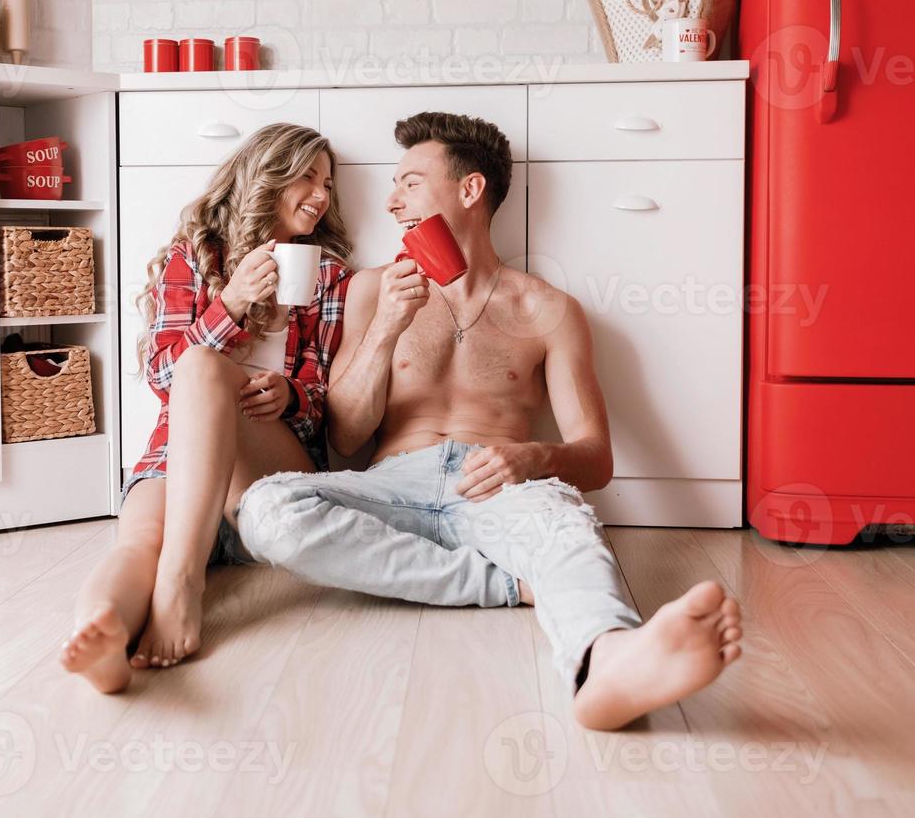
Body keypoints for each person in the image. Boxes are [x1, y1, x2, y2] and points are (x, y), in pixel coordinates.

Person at [231, 112, 744, 731]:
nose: (392, 202)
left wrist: (535, 458)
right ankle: (503, 584)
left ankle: (608, 660)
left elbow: (597, 458)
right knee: (267, 510)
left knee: (568, 531)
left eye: (411, 183)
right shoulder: (371, 290)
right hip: (394, 482)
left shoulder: (549, 310)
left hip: (500, 481)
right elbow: (343, 436)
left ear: (470, 191)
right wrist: (388, 328)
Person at [60, 123, 354, 693]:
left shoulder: (328, 276)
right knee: (140, 539)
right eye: (308, 178)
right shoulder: (195, 257)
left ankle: (182, 582)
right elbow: (164, 375)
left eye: (328, 183)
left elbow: (327, 410)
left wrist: (292, 396)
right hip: (181, 461)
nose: (321, 195)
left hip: (264, 475)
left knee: (203, 366)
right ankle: (101, 633)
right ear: (267, 176)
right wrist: (233, 302)